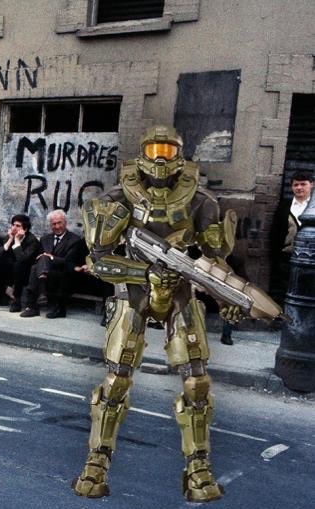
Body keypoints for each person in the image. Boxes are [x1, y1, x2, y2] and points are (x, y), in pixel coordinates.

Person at [72, 126, 248, 502]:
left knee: (197, 382)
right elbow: (100, 261)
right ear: (142, 154)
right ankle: (97, 460)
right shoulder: (119, 196)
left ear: (180, 156)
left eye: (168, 150)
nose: (161, 157)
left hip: (182, 292)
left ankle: (198, 467)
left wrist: (229, 293)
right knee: (116, 379)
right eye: (155, 149)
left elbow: (214, 259)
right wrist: (146, 272)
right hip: (134, 289)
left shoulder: (200, 200)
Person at [18, 209, 88, 319]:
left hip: (64, 271)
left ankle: (34, 306)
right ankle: (40, 292)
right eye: (53, 224)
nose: (57, 226)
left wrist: (50, 257)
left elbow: (68, 261)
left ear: (65, 222)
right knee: (35, 266)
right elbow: (38, 258)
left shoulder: (74, 240)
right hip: (47, 272)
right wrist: (45, 258)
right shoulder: (45, 239)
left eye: (59, 223)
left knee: (38, 266)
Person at [270, 171, 312, 302]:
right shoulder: (284, 207)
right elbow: (275, 233)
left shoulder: (314, 208)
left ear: (311, 185)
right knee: (285, 291)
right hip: (287, 259)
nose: (299, 188)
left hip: (310, 260)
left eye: (303, 184)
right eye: (296, 185)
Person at [0, 214, 42, 312]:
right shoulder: (9, 237)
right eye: (13, 225)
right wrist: (10, 239)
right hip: (11, 270)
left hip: (27, 271)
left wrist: (17, 240)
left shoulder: (32, 240)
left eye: (18, 226)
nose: (14, 228)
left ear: (25, 229)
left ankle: (16, 300)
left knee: (18, 265)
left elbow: (23, 259)